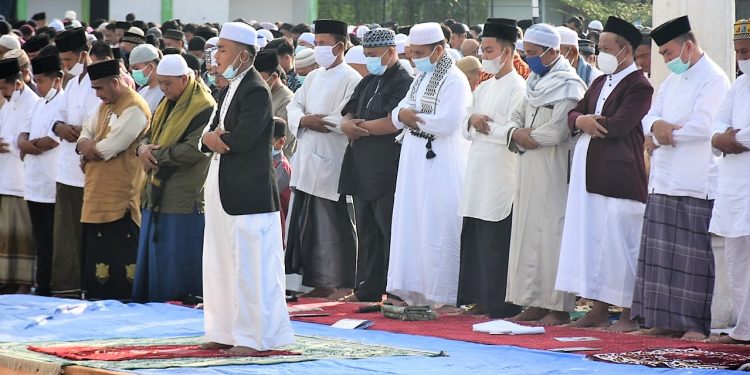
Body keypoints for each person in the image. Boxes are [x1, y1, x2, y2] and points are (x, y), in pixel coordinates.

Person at [631, 15, 731, 341]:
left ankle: (692, 325)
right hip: (664, 179)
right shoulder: (673, 80)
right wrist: (656, 128)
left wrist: (659, 134)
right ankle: (662, 321)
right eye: (662, 55)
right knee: (661, 257)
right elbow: (651, 116)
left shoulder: (713, 79)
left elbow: (703, 127)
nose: (666, 60)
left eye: (669, 53)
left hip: (695, 180)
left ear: (688, 46)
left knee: (691, 260)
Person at [199, 22, 293, 354]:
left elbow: (241, 139)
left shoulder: (254, 89)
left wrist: (214, 139)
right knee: (220, 264)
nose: (217, 54)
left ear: (241, 54)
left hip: (248, 195)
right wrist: (211, 140)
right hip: (223, 190)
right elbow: (207, 136)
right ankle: (225, 331)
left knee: (251, 270)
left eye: (223, 49)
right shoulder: (227, 88)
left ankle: (255, 339)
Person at [555, 16, 653, 332]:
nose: (601, 53)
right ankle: (597, 309)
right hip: (590, 176)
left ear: (625, 50)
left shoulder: (639, 85)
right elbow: (576, 111)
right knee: (594, 242)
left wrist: (586, 121)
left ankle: (628, 313)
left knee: (621, 244)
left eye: (607, 48)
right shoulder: (598, 81)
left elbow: (620, 124)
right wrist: (579, 120)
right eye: (600, 48)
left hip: (619, 177)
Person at [504, 23, 586, 326]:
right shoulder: (533, 83)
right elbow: (514, 117)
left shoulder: (569, 85)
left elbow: (558, 129)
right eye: (527, 53)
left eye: (535, 53)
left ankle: (557, 306)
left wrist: (526, 137)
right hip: (527, 166)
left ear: (553, 52)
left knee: (552, 236)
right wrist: (515, 132)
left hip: (553, 166)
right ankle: (533, 302)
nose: (530, 59)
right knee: (526, 233)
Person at [387, 22, 472, 308]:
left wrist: (412, 118)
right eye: (411, 52)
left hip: (441, 162)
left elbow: (448, 122)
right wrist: (406, 116)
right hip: (414, 160)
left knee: (438, 224)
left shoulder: (454, 80)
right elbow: (397, 111)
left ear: (439, 49)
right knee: (412, 223)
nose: (413, 58)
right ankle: (411, 291)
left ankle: (444, 295)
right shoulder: (420, 76)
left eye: (419, 52)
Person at [285, 19, 361, 300]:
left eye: (323, 44)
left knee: (334, 226)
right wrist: (304, 119)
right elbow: (294, 105)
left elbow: (346, 118)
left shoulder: (352, 78)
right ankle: (318, 282)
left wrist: (319, 121)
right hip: (307, 158)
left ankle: (343, 283)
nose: (318, 49)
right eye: (316, 44)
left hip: (332, 159)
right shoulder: (314, 76)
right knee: (307, 227)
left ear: (340, 46)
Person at [337, 28, 413, 303]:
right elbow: (349, 109)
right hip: (360, 165)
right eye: (366, 54)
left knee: (388, 229)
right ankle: (367, 288)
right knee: (366, 230)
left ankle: (394, 289)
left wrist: (358, 128)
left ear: (391, 52)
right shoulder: (369, 80)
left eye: (372, 55)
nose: (368, 60)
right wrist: (347, 123)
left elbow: (392, 123)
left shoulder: (403, 81)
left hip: (386, 167)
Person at [457, 21, 526, 318]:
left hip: (502, 171)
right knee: (477, 236)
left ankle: (501, 302)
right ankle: (480, 298)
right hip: (478, 168)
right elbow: (466, 124)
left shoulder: (519, 88)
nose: (484, 55)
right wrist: (474, 123)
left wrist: (485, 125)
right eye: (482, 49)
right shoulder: (483, 86)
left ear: (507, 52)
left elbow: (515, 130)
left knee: (498, 238)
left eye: (489, 50)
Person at [132, 54, 214, 303]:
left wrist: (154, 154)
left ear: (184, 78)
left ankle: (178, 305)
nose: (164, 89)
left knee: (177, 257)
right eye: (162, 83)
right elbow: (147, 134)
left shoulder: (204, 106)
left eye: (168, 83)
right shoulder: (167, 102)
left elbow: (194, 149)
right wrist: (142, 150)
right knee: (156, 256)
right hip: (156, 189)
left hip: (183, 194)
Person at [76, 59, 150, 301]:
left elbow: (111, 147)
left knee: (121, 253)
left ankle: (124, 300)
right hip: (96, 193)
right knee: (98, 251)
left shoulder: (135, 108)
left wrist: (88, 148)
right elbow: (85, 133)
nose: (97, 94)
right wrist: (85, 146)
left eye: (100, 88)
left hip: (120, 198)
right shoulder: (105, 106)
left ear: (115, 83)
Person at [708, 18, 750, 344]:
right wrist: (721, 138)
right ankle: (743, 329)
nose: (742, 57)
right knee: (737, 261)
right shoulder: (739, 85)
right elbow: (717, 122)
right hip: (735, 187)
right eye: (738, 52)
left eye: (747, 51)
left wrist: (732, 139)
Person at [50, 27, 101, 297]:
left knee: (90, 235)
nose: (65, 66)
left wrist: (79, 132)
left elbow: (101, 122)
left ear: (84, 54)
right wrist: (60, 127)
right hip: (66, 170)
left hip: (90, 170)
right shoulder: (71, 83)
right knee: (66, 235)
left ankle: (89, 288)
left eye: (69, 60)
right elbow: (56, 116)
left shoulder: (99, 80)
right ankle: (66, 289)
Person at [17, 55, 64, 297]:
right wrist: (29, 145)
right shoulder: (37, 103)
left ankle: (51, 286)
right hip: (33, 182)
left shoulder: (62, 101)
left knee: (52, 240)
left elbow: (52, 141)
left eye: (42, 81)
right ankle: (41, 284)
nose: (37, 85)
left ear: (57, 79)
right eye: (35, 80)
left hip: (52, 181)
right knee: (40, 240)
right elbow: (21, 137)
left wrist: (30, 146)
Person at [0, 58, 39, 294]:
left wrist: (9, 144)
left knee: (23, 236)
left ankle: (24, 282)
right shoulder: (8, 104)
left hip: (22, 180)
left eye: (3, 87)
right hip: (5, 177)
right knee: (5, 236)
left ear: (16, 83)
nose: (1, 93)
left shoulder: (31, 103)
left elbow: (25, 139)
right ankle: (6, 279)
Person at [254, 48, 296, 157]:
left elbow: (278, 140)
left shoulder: (288, 101)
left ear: (274, 77)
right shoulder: (261, 94)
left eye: (260, 79)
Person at [272, 117, 292, 240]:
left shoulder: (282, 167)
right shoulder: (267, 161)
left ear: (281, 142)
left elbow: (268, 192)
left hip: (277, 223)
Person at [129, 44, 163, 114]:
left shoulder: (164, 93)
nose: (134, 73)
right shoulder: (142, 92)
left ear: (151, 66)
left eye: (136, 68)